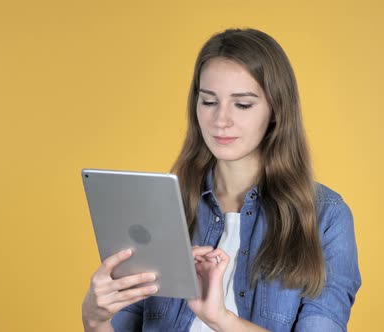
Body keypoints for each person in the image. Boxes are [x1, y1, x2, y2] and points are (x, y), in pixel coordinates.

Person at [82, 28, 361, 332]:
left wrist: (222, 319)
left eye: (242, 104)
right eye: (209, 101)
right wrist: (95, 319)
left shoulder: (325, 216)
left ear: (276, 111)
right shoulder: (160, 206)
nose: (220, 120)